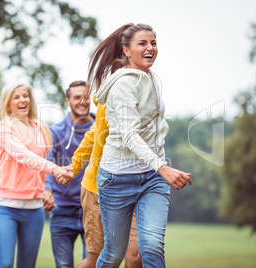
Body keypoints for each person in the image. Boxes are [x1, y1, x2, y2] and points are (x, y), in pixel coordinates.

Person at [87, 23, 192, 267]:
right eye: (142, 43)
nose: (150, 48)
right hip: (118, 178)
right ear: (126, 50)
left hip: (152, 179)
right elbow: (129, 136)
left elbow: (155, 129)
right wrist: (163, 168)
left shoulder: (152, 79)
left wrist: (159, 165)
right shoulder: (123, 84)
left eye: (153, 43)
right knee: (114, 254)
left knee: (152, 247)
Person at [0, 82, 73, 268]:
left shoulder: (40, 128)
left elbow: (40, 163)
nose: (22, 100)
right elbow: (24, 156)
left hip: (34, 209)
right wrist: (56, 169)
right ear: (8, 103)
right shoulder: (4, 128)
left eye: (25, 95)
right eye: (16, 97)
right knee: (4, 264)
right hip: (5, 208)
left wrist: (46, 189)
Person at [68, 95, 142, 268]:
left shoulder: (144, 97)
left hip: (135, 188)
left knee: (136, 256)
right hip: (98, 189)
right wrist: (74, 166)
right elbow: (95, 133)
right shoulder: (109, 98)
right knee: (97, 259)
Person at [43, 81, 95, 268]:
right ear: (67, 101)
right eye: (76, 97)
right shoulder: (55, 132)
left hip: (95, 209)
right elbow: (48, 160)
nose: (82, 101)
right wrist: (47, 189)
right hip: (62, 209)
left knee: (93, 265)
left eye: (86, 97)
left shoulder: (103, 130)